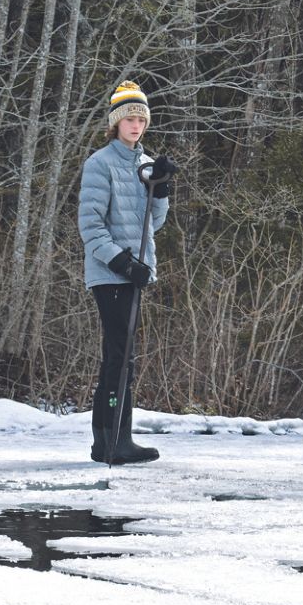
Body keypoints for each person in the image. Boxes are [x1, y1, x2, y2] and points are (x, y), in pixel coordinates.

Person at [78, 80, 176, 465]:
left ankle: (106, 442)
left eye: (141, 119)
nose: (136, 125)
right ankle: (117, 440)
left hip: (135, 272)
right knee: (121, 358)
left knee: (119, 357)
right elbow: (91, 227)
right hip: (111, 274)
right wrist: (123, 263)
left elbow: (153, 223)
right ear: (115, 123)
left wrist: (161, 189)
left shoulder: (144, 164)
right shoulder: (100, 163)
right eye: (129, 119)